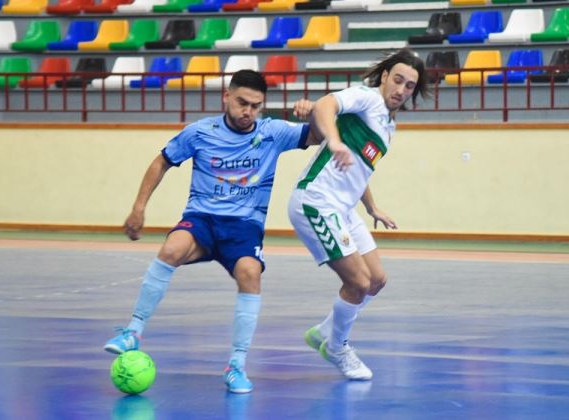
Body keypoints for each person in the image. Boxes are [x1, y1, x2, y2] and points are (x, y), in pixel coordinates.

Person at [104, 69, 319, 394]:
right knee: (172, 249)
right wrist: (139, 207)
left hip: (244, 227)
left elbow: (319, 135)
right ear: (227, 98)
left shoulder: (273, 132)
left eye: (256, 106)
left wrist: (313, 113)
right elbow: (160, 162)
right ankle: (133, 331)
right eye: (242, 103)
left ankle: (237, 365)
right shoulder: (201, 132)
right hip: (202, 219)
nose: (248, 111)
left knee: (250, 273)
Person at [288, 49, 429, 380]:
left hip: (345, 207)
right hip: (316, 201)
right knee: (358, 281)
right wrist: (334, 142)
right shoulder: (366, 99)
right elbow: (325, 105)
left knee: (377, 281)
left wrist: (371, 207)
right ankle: (337, 348)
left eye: (410, 86)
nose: (402, 90)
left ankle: (324, 332)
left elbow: (359, 171)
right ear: (384, 77)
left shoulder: (389, 127)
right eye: (398, 80)